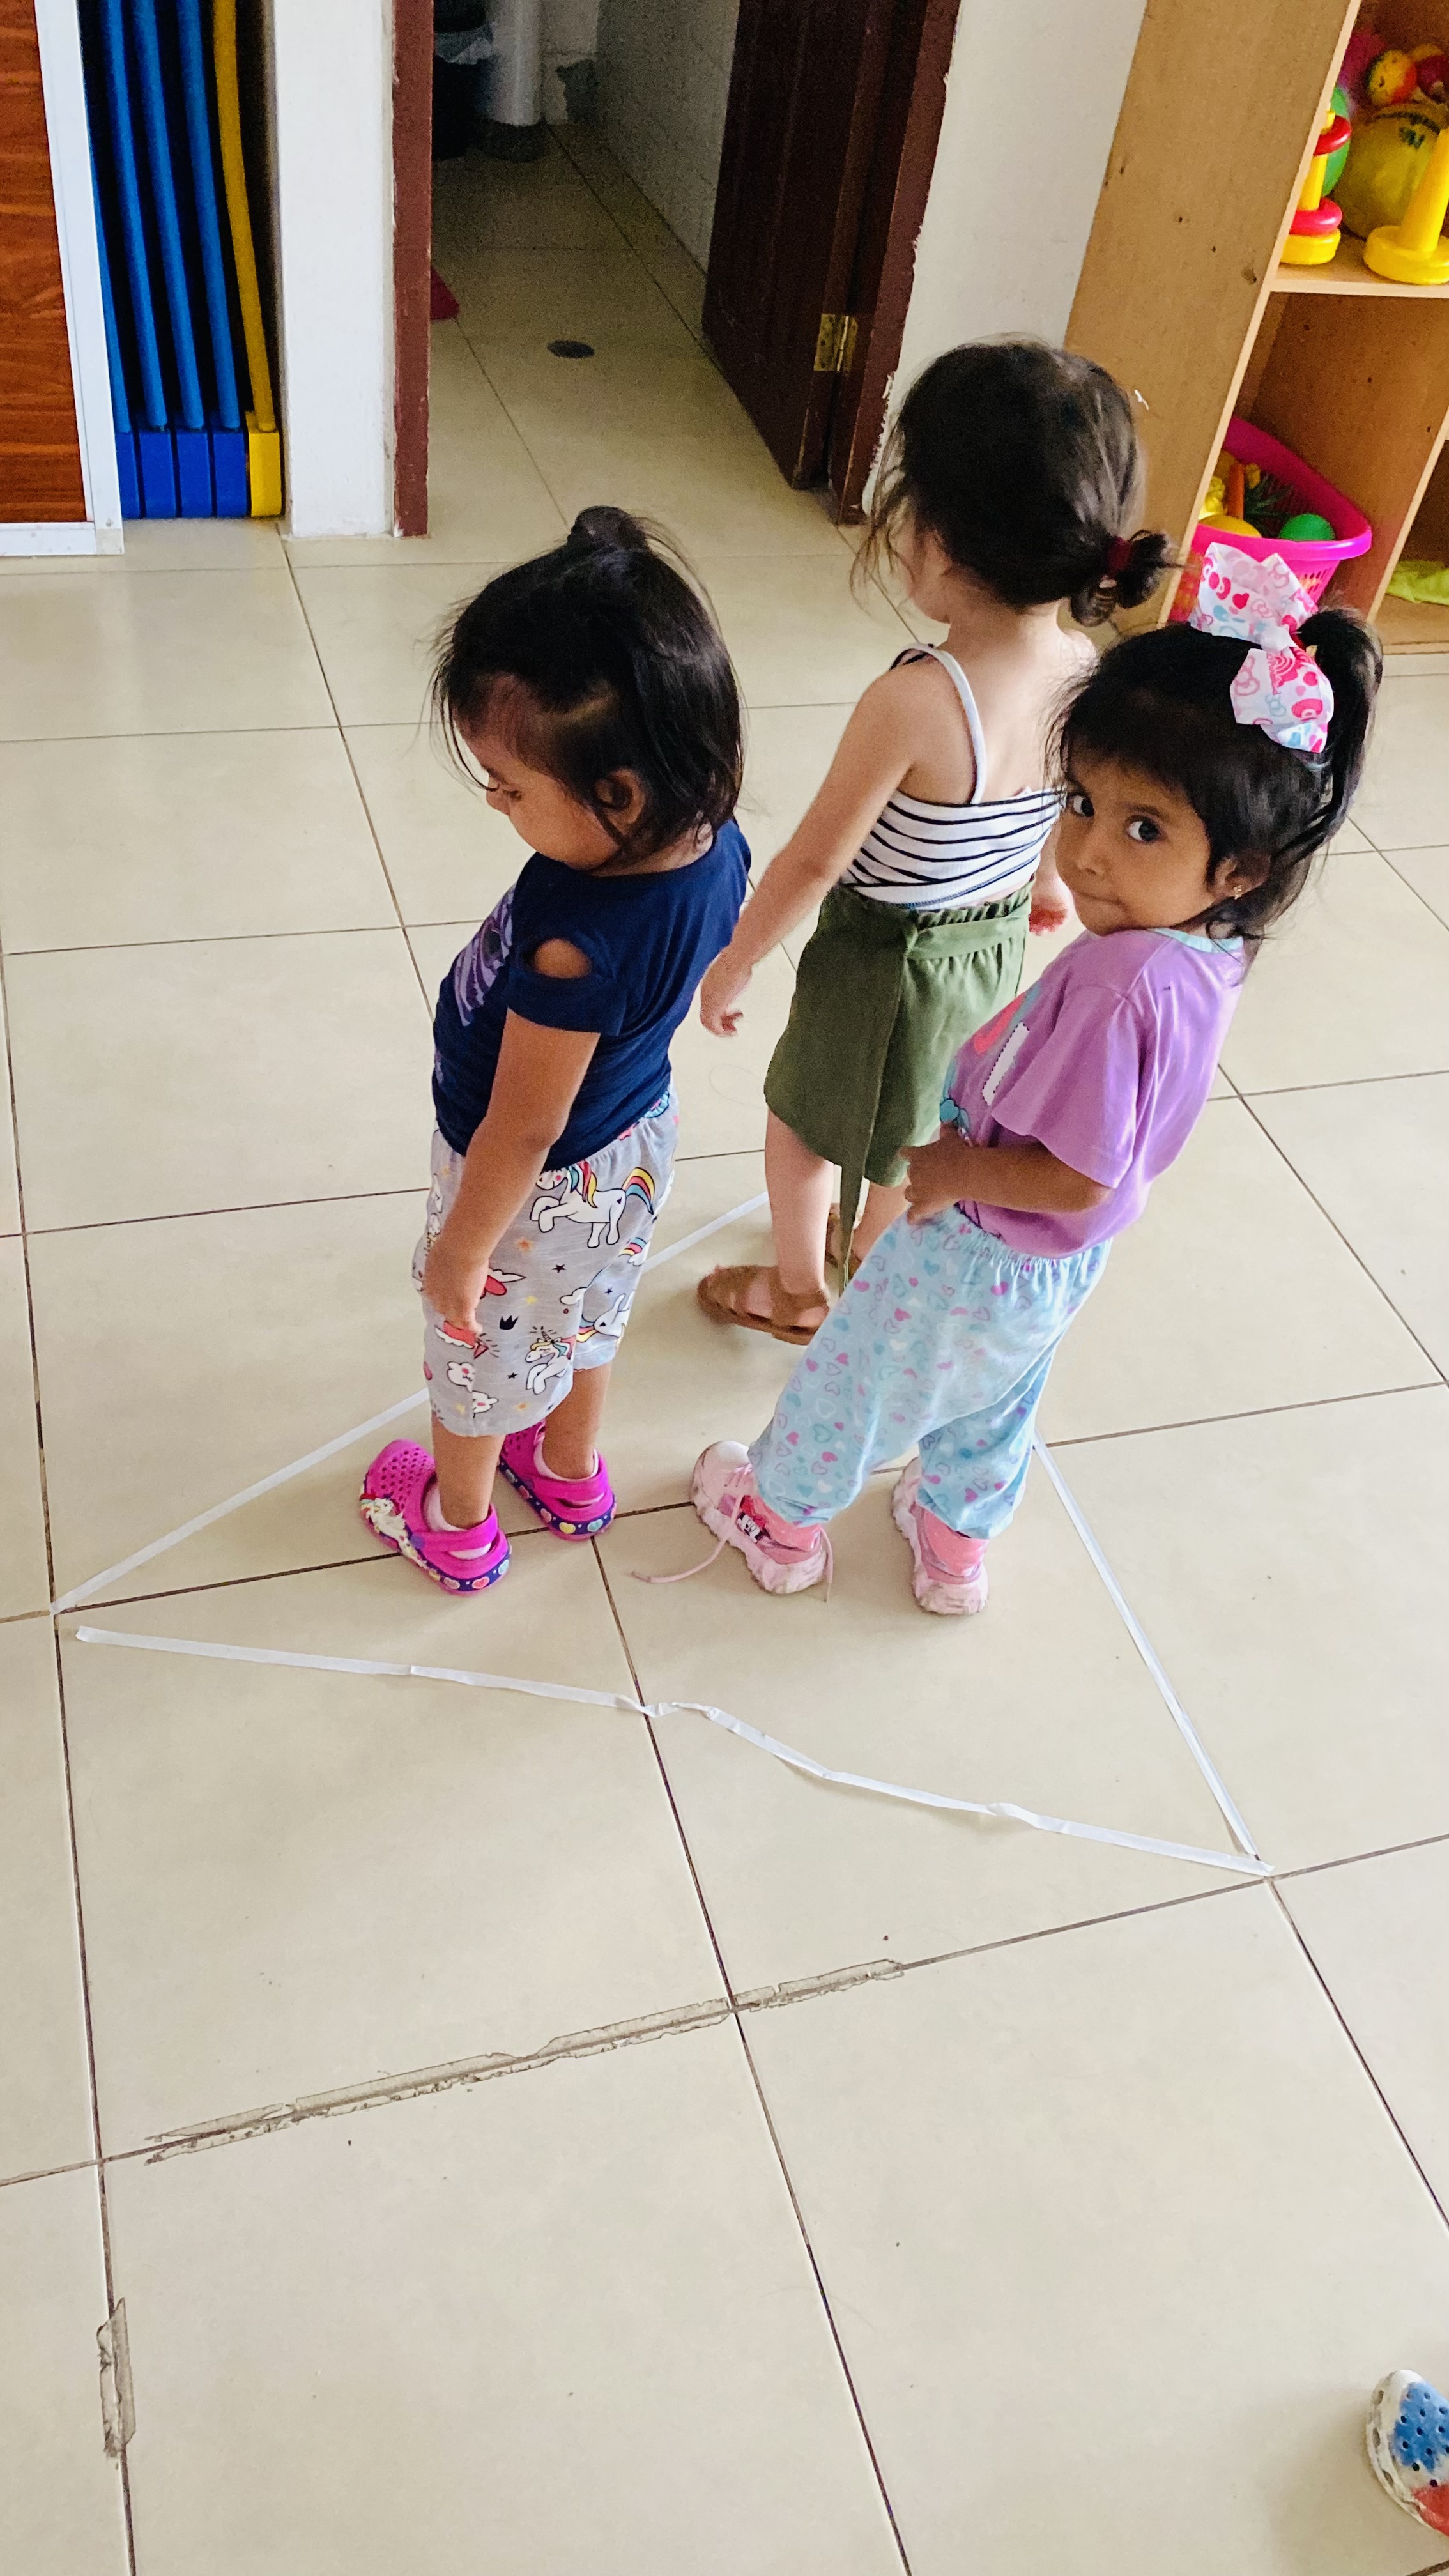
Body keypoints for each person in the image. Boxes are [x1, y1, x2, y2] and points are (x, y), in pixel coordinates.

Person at [684, 544, 1381, 1613]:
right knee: (996, 1395)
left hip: (982, 1246)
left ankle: (778, 1519)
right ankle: (953, 1541)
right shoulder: (1206, 950)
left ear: (1241, 867)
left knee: (857, 1375)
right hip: (1052, 1271)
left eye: (1144, 829)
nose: (1090, 851)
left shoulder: (1115, 988)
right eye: (1084, 803)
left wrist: (953, 1169)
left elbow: (1080, 1178)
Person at [695, 339, 1174, 1346]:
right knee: (924, 1125)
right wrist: (1042, 884)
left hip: (879, 962)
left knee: (802, 1119)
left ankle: (797, 1291)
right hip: (987, 958)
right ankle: (875, 1270)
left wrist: (736, 959)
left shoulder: (916, 700)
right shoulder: (1083, 670)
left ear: (940, 538)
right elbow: (1061, 803)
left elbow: (816, 861)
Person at [361, 509, 747, 1592]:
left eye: (511, 785)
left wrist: (463, 1247)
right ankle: (570, 1472)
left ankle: (456, 1522)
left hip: (531, 1185)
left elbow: (524, 1124)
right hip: (632, 1144)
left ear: (619, 794)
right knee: (586, 1317)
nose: (495, 799)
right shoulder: (715, 839)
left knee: (478, 1351)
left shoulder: (578, 943)